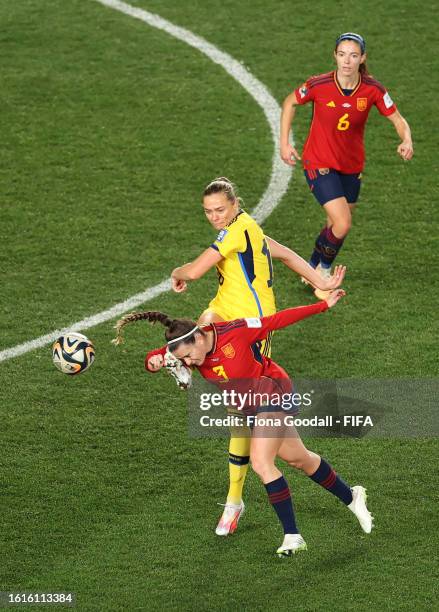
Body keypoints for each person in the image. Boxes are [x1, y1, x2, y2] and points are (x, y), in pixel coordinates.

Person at [151, 177, 346, 537]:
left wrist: (176, 274)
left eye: (219, 210)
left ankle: (234, 499)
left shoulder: (235, 232)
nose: (214, 217)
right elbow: (285, 253)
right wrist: (321, 281)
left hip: (250, 328)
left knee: (240, 411)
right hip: (224, 312)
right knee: (200, 327)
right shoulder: (249, 228)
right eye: (208, 212)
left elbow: (193, 272)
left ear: (234, 203)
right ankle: (181, 363)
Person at [112, 291, 373, 557]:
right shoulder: (183, 348)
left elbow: (277, 320)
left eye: (189, 356)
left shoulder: (235, 332)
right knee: (299, 459)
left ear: (200, 336)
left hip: (272, 390)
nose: (188, 363)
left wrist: (322, 305)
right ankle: (352, 496)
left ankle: (293, 535)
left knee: (261, 462)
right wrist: (153, 362)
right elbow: (152, 360)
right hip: (249, 405)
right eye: (184, 360)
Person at [280, 32, 413, 299]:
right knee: (342, 224)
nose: (347, 61)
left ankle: (309, 267)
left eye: (353, 55)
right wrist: (284, 143)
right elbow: (290, 102)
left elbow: (397, 119)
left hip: (351, 166)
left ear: (362, 58)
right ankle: (322, 275)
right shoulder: (319, 85)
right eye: (342, 55)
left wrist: (406, 139)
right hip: (318, 162)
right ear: (335, 56)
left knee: (334, 223)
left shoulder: (373, 89)